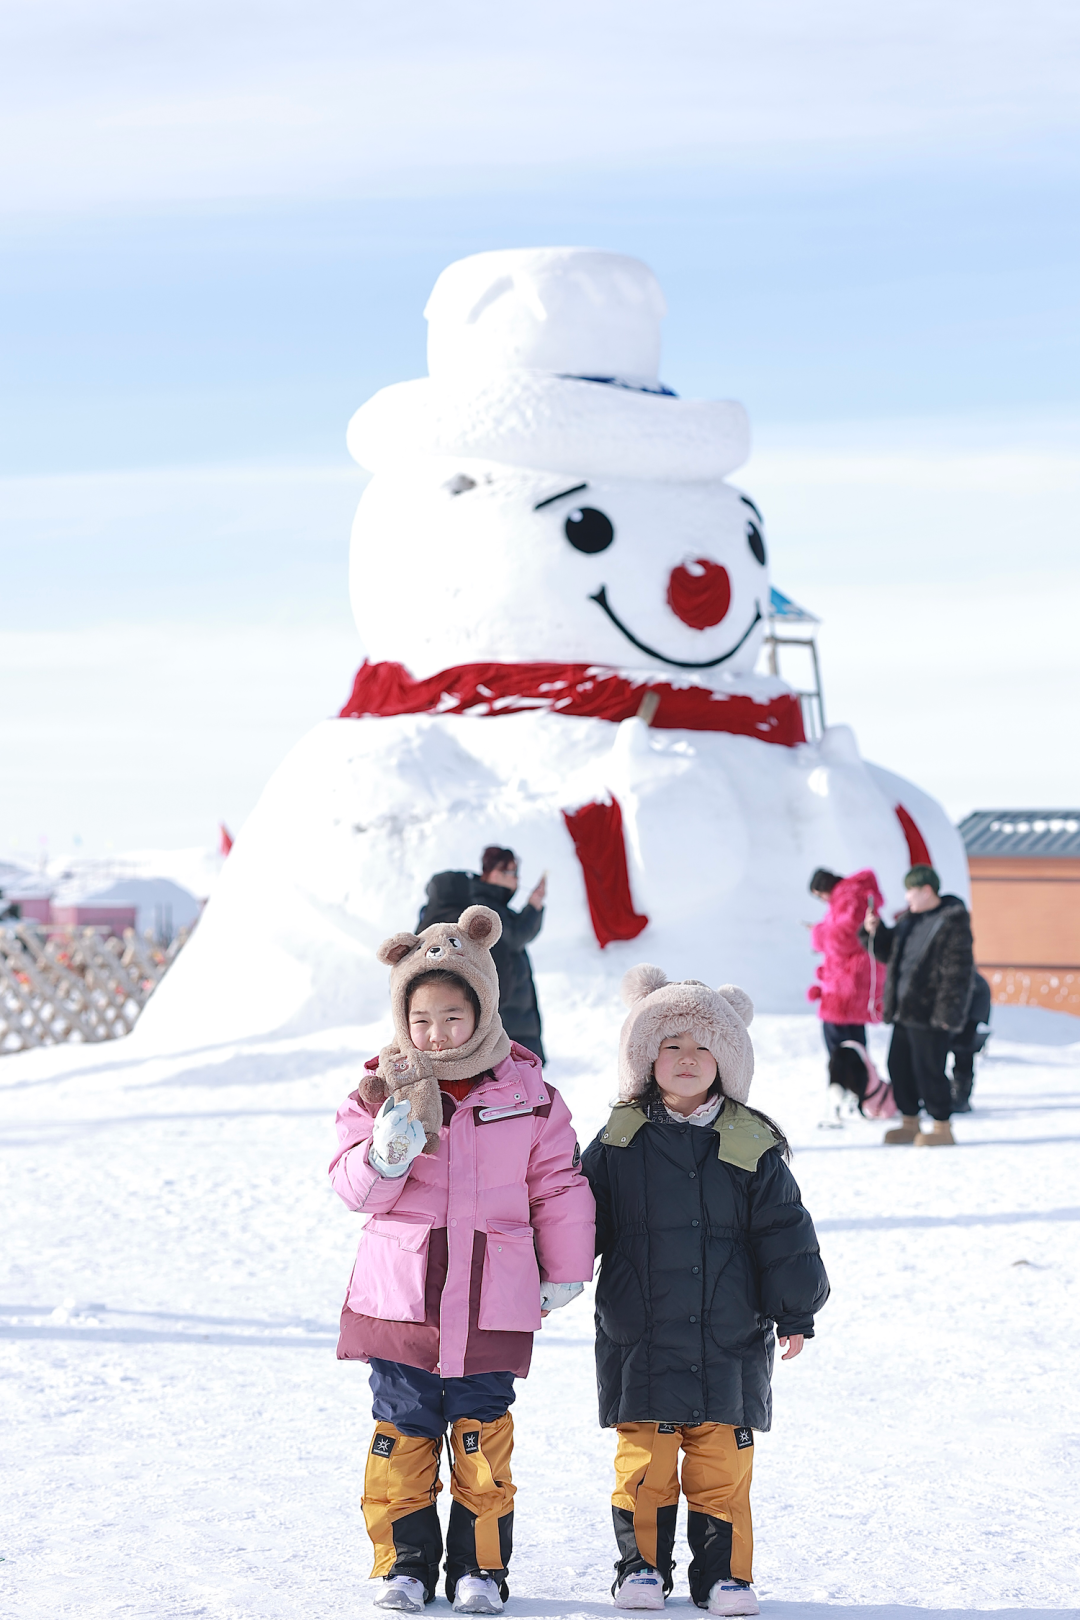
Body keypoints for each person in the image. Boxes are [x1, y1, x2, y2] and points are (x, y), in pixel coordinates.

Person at [328, 904, 595, 1615]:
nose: (437, 1033)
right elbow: (350, 1187)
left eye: (452, 1015)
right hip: (402, 1297)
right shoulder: (378, 1090)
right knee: (404, 1433)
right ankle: (406, 1563)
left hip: (491, 1296)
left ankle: (481, 1567)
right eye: (421, 1019)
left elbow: (558, 1183)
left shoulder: (527, 1092)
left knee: (481, 1439)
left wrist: (566, 1266)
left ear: (482, 1008)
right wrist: (383, 1156)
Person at [582, 966, 829, 1616]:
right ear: (645, 1056)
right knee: (646, 1463)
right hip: (641, 1332)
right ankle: (641, 1568)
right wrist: (547, 1276)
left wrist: (794, 1309)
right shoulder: (619, 1140)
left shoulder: (750, 1142)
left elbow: (784, 1231)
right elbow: (576, 1219)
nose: (687, 1059)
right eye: (672, 1045)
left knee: (722, 1467)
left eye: (703, 1047)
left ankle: (726, 1577)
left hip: (729, 1336)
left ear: (727, 1060)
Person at [862, 864, 975, 1147]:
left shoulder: (952, 921)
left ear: (926, 890)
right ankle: (909, 1122)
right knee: (898, 1066)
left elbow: (958, 972)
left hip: (931, 1014)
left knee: (929, 1069)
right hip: (904, 1010)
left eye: (910, 890)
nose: (907, 896)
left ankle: (941, 1125)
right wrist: (874, 931)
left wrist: (948, 1012)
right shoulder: (908, 921)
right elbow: (888, 953)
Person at [419, 847, 547, 1062]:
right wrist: (533, 907)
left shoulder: (492, 903)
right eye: (512, 872)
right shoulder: (485, 906)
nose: (517, 879)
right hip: (506, 1009)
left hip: (511, 1007)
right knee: (511, 1070)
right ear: (495, 873)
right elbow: (514, 937)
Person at [806, 867, 884, 1058]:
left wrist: (818, 933)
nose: (822, 900)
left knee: (840, 1045)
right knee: (853, 1042)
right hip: (850, 981)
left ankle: (852, 1076)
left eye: (820, 895)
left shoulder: (849, 897)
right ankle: (860, 1074)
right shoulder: (849, 895)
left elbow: (846, 937)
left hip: (846, 983)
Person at [948, 971, 992, 1112]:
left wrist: (973, 1023)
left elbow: (981, 997)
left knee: (964, 1052)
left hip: (971, 1011)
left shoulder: (974, 981)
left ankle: (961, 1097)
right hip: (951, 1013)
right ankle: (942, 1093)